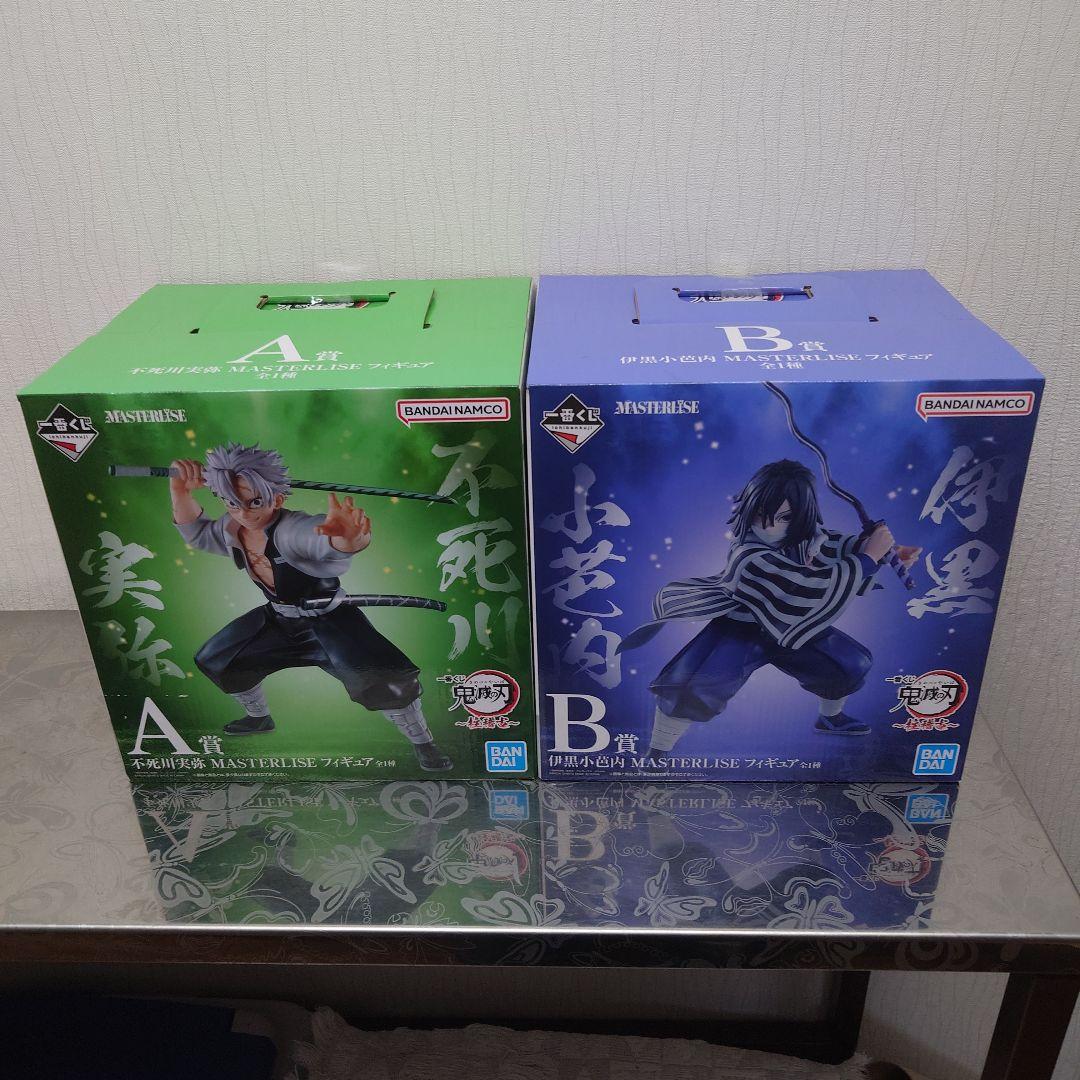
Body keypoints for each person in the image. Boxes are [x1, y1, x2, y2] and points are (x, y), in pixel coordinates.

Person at [169, 442, 452, 771]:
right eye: (232, 502)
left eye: (254, 501)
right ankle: (259, 717)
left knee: (388, 680)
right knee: (219, 659)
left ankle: (424, 744)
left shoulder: (292, 530)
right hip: (278, 620)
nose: (244, 512)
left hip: (331, 621)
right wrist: (180, 491)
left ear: (277, 497)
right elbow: (198, 534)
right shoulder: (232, 528)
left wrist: (348, 538)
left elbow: (323, 539)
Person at [620, 459, 921, 758]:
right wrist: (868, 559)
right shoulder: (748, 555)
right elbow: (803, 585)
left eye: (785, 517)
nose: (769, 526)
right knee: (692, 686)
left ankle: (830, 717)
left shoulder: (802, 537)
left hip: (790, 626)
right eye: (761, 514)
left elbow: (831, 545)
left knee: (847, 664)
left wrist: (881, 552)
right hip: (741, 628)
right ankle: (657, 752)